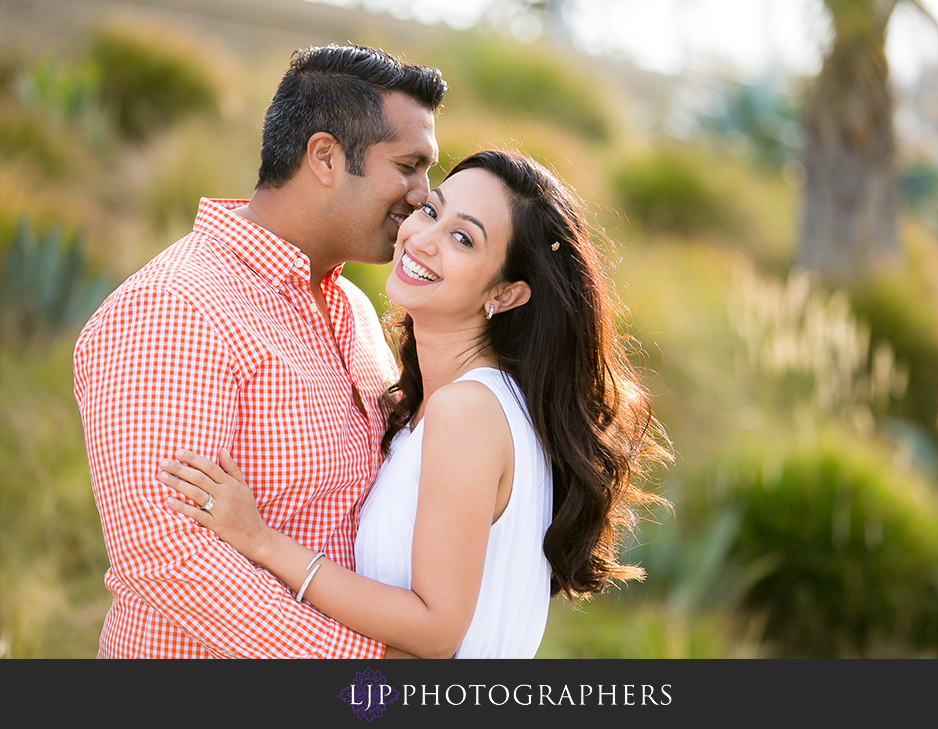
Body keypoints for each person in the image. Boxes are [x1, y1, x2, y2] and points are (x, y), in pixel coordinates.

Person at [158, 150, 674, 658]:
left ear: (508, 293)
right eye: (432, 209)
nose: (423, 238)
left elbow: (435, 629)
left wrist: (262, 541)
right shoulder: (458, 402)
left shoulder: (467, 413)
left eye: (462, 238)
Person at [73, 43, 447, 658]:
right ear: (325, 156)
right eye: (408, 165)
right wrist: (368, 672)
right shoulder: (177, 308)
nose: (421, 194)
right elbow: (167, 555)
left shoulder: (353, 309)